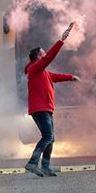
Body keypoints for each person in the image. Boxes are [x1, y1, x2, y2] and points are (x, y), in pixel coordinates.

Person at [24, 23, 80, 177]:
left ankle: (46, 167)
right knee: (48, 136)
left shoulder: (45, 73)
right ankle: (32, 163)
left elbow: (57, 76)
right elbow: (49, 57)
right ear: (38, 57)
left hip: (46, 109)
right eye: (43, 53)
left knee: (51, 138)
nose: (45, 54)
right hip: (39, 109)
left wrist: (71, 77)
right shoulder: (34, 68)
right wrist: (61, 41)